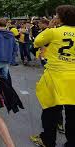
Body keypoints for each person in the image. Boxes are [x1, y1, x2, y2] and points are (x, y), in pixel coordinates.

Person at [30, 5, 75, 147]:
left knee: (50, 111)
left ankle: (48, 141)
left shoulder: (54, 32)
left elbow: (37, 42)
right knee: (72, 114)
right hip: (73, 78)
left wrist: (49, 27)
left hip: (55, 76)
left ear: (61, 17)